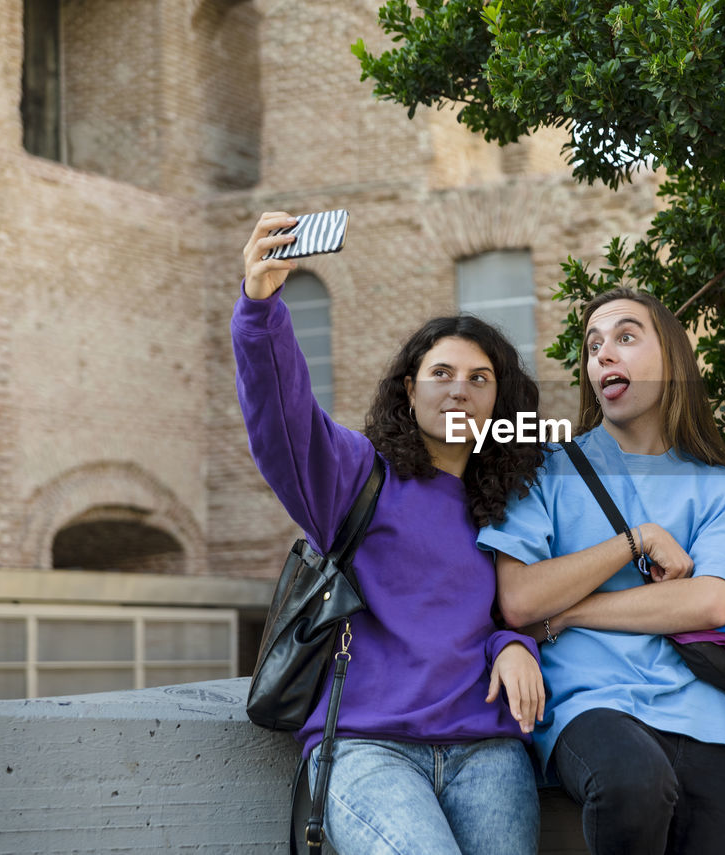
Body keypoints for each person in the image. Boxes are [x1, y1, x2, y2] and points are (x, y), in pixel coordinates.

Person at [233, 212, 547, 855]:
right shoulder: (355, 475)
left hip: (487, 749)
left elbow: (521, 607)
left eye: (479, 379)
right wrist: (260, 306)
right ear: (409, 389)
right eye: (441, 374)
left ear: (499, 402)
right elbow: (281, 420)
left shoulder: (515, 502)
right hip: (367, 745)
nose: (459, 390)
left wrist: (514, 643)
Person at [478, 287, 725, 855]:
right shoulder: (543, 470)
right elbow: (519, 600)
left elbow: (709, 603)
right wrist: (633, 542)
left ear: (672, 359)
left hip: (707, 713)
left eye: (626, 337)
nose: (603, 354)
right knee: (633, 784)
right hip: (590, 702)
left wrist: (574, 611)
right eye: (593, 345)